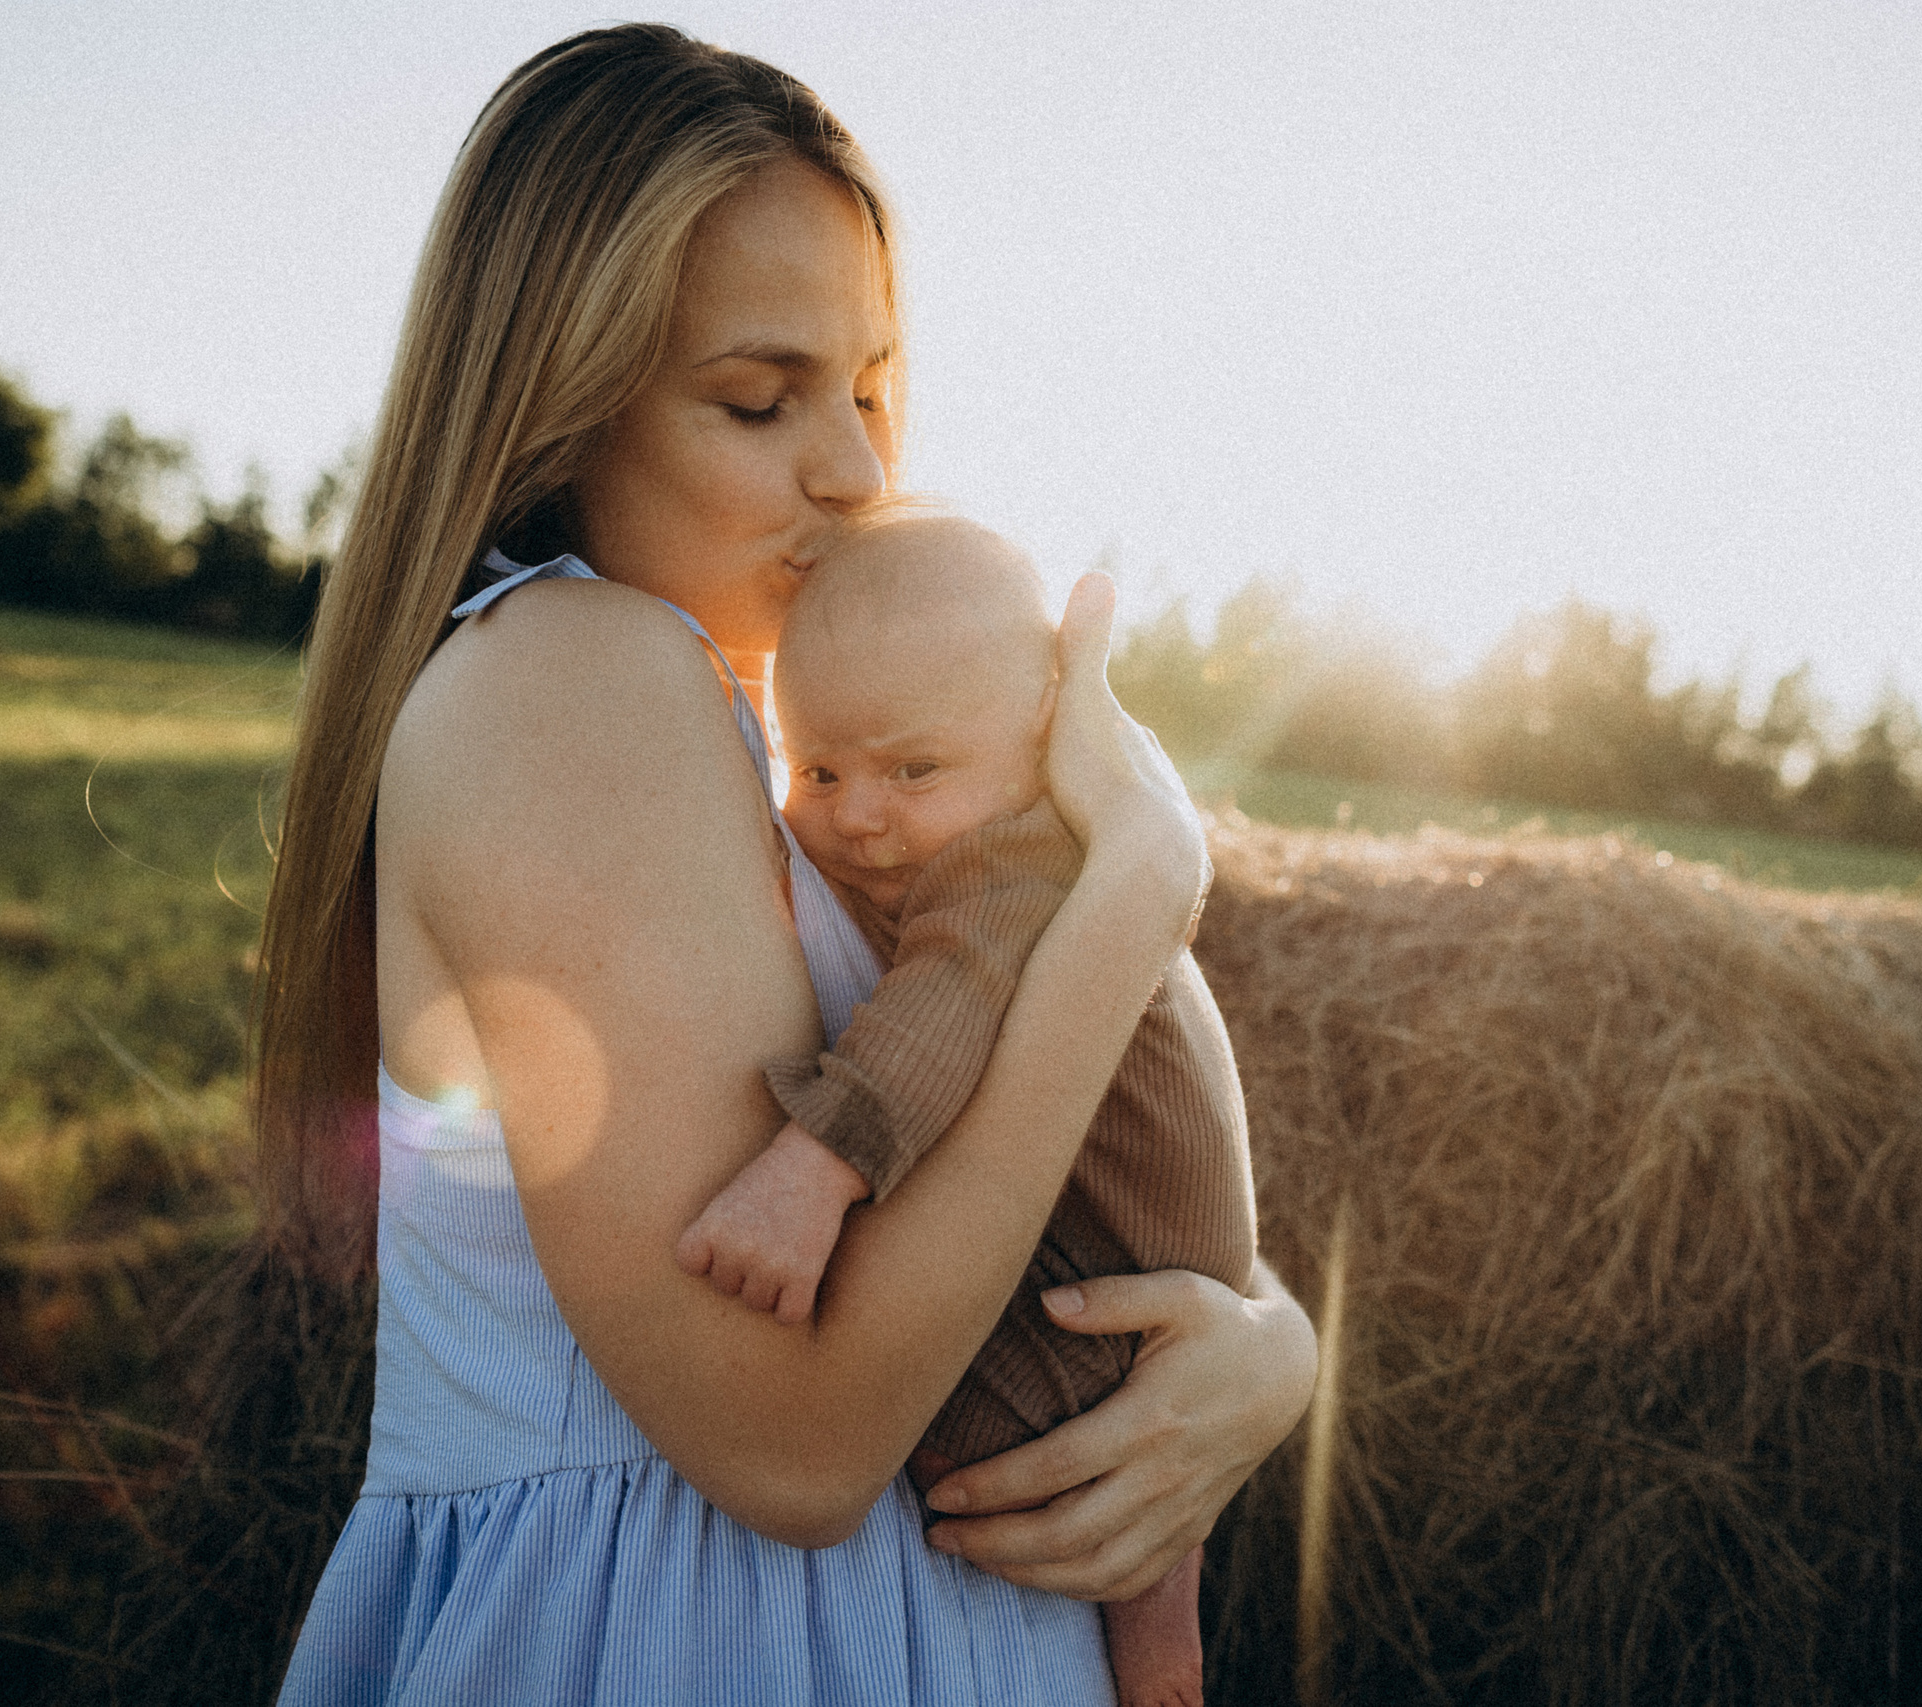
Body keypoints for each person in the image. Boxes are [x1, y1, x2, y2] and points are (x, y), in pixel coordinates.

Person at [256, 25, 1318, 1704]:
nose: (857, 468)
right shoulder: (572, 672)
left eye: (874, 386)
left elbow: (1024, 1180)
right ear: (556, 405)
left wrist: (1266, 1347)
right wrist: (1137, 891)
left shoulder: (744, 743)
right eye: (759, 399)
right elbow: (798, 1442)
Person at [674, 511, 1257, 1707]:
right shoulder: (1007, 828)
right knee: (1146, 1543)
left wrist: (810, 1170)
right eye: (816, 770)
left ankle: (1149, 1639)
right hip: (1143, 1252)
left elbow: (938, 1013)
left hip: (1111, 1267)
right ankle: (1159, 1642)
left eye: (912, 770)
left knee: (936, 1436)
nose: (859, 815)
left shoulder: (1011, 866)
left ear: (1042, 729)